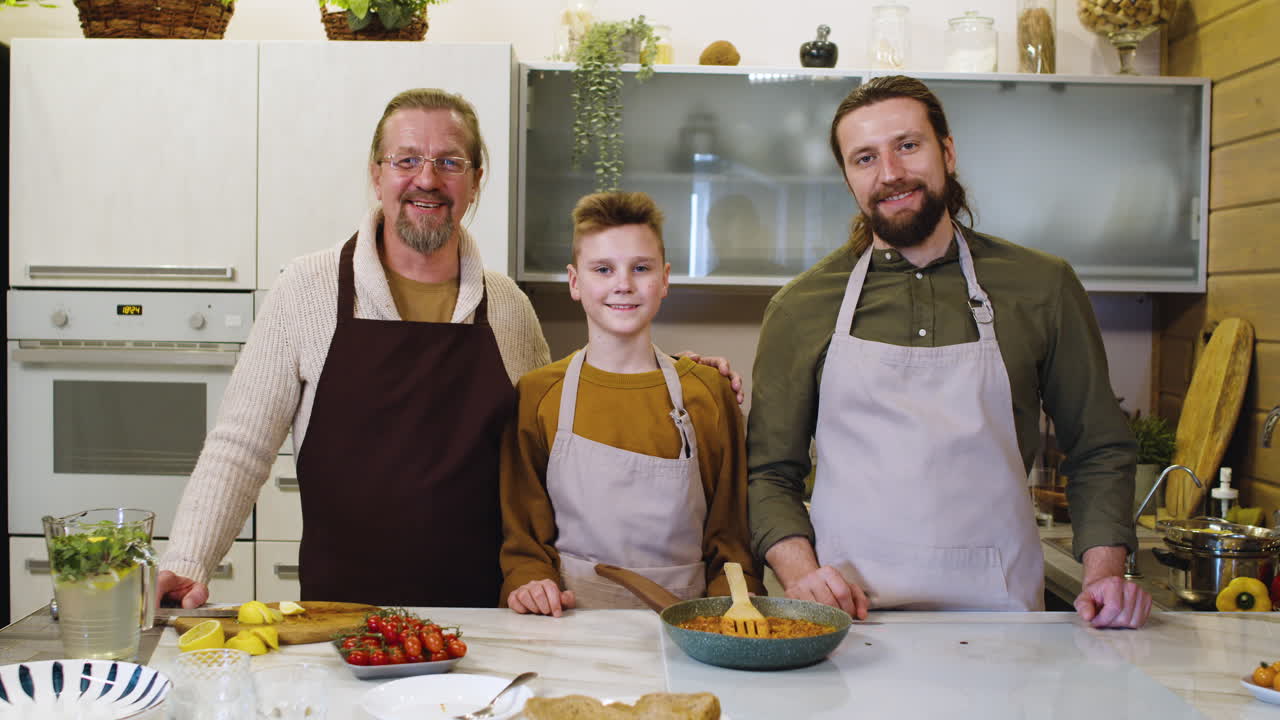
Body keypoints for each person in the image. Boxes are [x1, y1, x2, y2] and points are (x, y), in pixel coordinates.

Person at [157, 89, 741, 608]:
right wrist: (187, 563)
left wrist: (684, 377)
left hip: (484, 620)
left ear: (476, 179)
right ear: (376, 173)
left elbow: (559, 442)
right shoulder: (306, 291)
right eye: (406, 160)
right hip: (342, 615)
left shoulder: (508, 307)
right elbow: (239, 447)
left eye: (449, 162)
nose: (427, 179)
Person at [747, 75, 1150, 628]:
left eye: (907, 146)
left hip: (1003, 622)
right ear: (848, 178)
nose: (890, 173)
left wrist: (1106, 574)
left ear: (948, 152)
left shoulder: (1042, 286)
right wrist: (800, 575)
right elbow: (769, 474)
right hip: (845, 622)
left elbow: (1099, 449)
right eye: (864, 158)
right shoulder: (800, 308)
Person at [500, 191, 763, 616]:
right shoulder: (537, 394)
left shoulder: (707, 394)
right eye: (603, 269)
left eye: (641, 268)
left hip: (690, 627)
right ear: (574, 281)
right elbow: (524, 541)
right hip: (570, 627)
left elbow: (731, 543)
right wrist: (529, 582)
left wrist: (736, 609)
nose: (623, 283)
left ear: (664, 279)